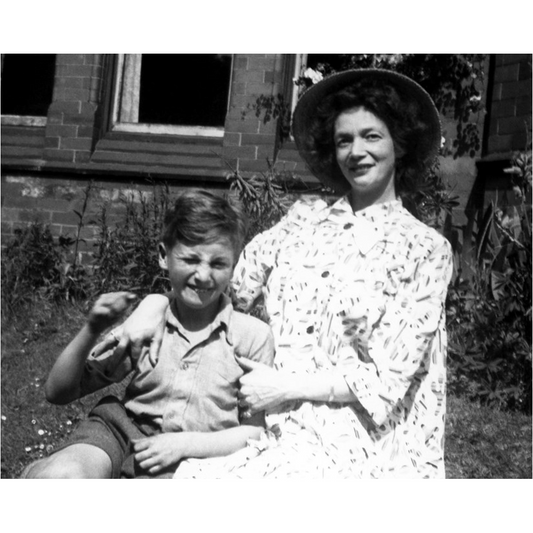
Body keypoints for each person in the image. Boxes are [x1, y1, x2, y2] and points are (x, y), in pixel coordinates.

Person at [112, 69, 454, 478]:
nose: (355, 152)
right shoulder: (301, 222)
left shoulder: (425, 248)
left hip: (366, 439)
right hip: (271, 420)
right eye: (344, 140)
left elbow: (386, 381)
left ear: (399, 143)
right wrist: (153, 305)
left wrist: (284, 386)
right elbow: (221, 285)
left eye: (371, 136)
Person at [22, 190, 275, 478]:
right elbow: (59, 392)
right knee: (62, 478)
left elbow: (255, 430)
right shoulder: (146, 322)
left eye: (218, 264)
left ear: (233, 265)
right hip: (122, 434)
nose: (203, 275)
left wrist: (186, 445)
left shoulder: (252, 337)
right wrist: (92, 328)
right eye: (190, 260)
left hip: (198, 458)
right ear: (164, 256)